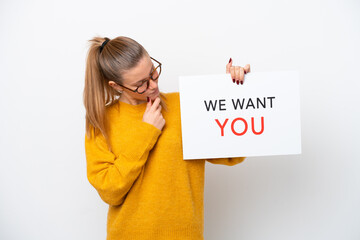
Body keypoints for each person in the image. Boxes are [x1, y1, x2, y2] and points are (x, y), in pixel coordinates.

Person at [83, 36, 250, 240]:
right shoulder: (100, 122)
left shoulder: (185, 105)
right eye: (141, 84)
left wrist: (235, 94)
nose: (153, 85)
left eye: (153, 72)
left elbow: (232, 155)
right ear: (116, 86)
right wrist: (147, 132)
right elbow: (110, 192)